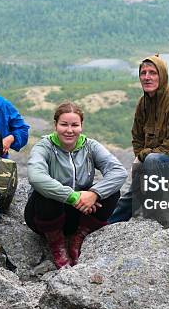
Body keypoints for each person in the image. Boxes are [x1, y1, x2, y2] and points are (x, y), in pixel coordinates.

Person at [25, 102, 128, 269]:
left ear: (81, 126)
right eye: (64, 124)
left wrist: (94, 193)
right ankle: (56, 243)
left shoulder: (90, 146)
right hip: (44, 217)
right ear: (55, 125)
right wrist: (73, 197)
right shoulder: (45, 146)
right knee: (44, 192)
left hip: (79, 213)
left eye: (75, 125)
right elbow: (36, 177)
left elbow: (119, 171)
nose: (69, 130)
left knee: (111, 192)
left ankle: (79, 236)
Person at [108, 54, 169, 223]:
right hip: (154, 163)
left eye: (152, 73)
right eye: (143, 73)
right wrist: (140, 156)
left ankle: (155, 215)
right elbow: (137, 137)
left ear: (162, 76)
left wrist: (143, 157)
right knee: (135, 188)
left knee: (150, 162)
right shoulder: (143, 102)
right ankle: (109, 223)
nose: (147, 77)